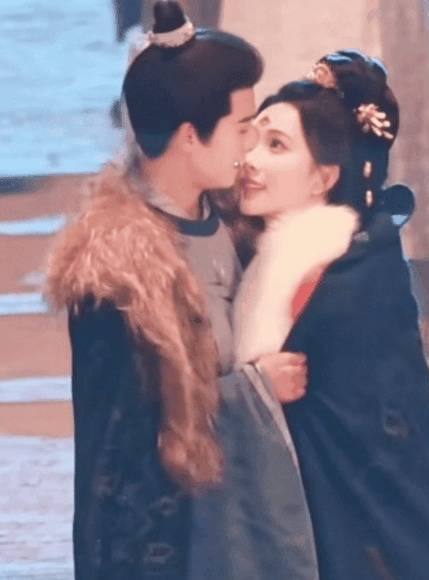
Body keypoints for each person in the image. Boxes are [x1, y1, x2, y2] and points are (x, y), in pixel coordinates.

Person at [45, 2, 317, 578]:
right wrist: (256, 391)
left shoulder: (236, 221)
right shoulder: (119, 276)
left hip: (243, 523)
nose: (250, 143)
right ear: (191, 137)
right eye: (241, 127)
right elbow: (126, 447)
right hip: (173, 546)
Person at [233, 51, 429, 579]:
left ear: (323, 178)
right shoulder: (295, 256)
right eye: (251, 138)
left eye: (276, 146)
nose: (250, 159)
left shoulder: (341, 281)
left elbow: (368, 446)